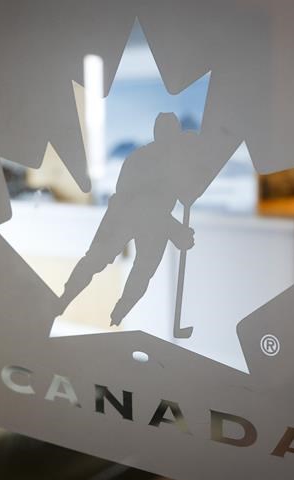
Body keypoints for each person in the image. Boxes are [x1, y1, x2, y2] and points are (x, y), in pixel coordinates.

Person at [58, 112, 229, 325]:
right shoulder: (141, 159)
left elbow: (184, 194)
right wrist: (175, 230)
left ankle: (119, 313)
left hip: (152, 220)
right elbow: (141, 205)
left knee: (142, 270)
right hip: (124, 214)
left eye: (172, 133)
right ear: (157, 134)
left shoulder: (176, 162)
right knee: (97, 260)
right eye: (165, 132)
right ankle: (66, 299)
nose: (169, 139)